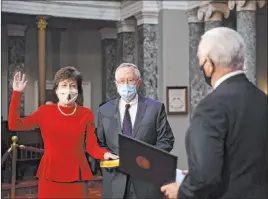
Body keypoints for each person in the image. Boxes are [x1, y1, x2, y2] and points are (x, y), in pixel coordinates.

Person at [161, 27, 268, 199]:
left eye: (201, 61)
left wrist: (182, 190)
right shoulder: (262, 100)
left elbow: (205, 177)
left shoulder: (210, 107)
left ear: (209, 65)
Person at [8, 66, 118, 198]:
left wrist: (105, 154)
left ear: (78, 90)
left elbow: (91, 146)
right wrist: (16, 93)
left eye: (72, 86)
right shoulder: (45, 111)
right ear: (56, 89)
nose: (68, 90)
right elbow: (15, 124)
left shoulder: (86, 114)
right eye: (64, 85)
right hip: (50, 175)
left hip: (76, 175)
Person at [97, 63, 175, 199]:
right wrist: (106, 155)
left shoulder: (155, 108)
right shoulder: (104, 110)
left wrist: (146, 158)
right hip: (115, 183)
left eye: (130, 80)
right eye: (121, 81)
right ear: (116, 83)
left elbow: (166, 140)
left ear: (138, 82)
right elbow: (99, 143)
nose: (125, 84)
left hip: (147, 182)